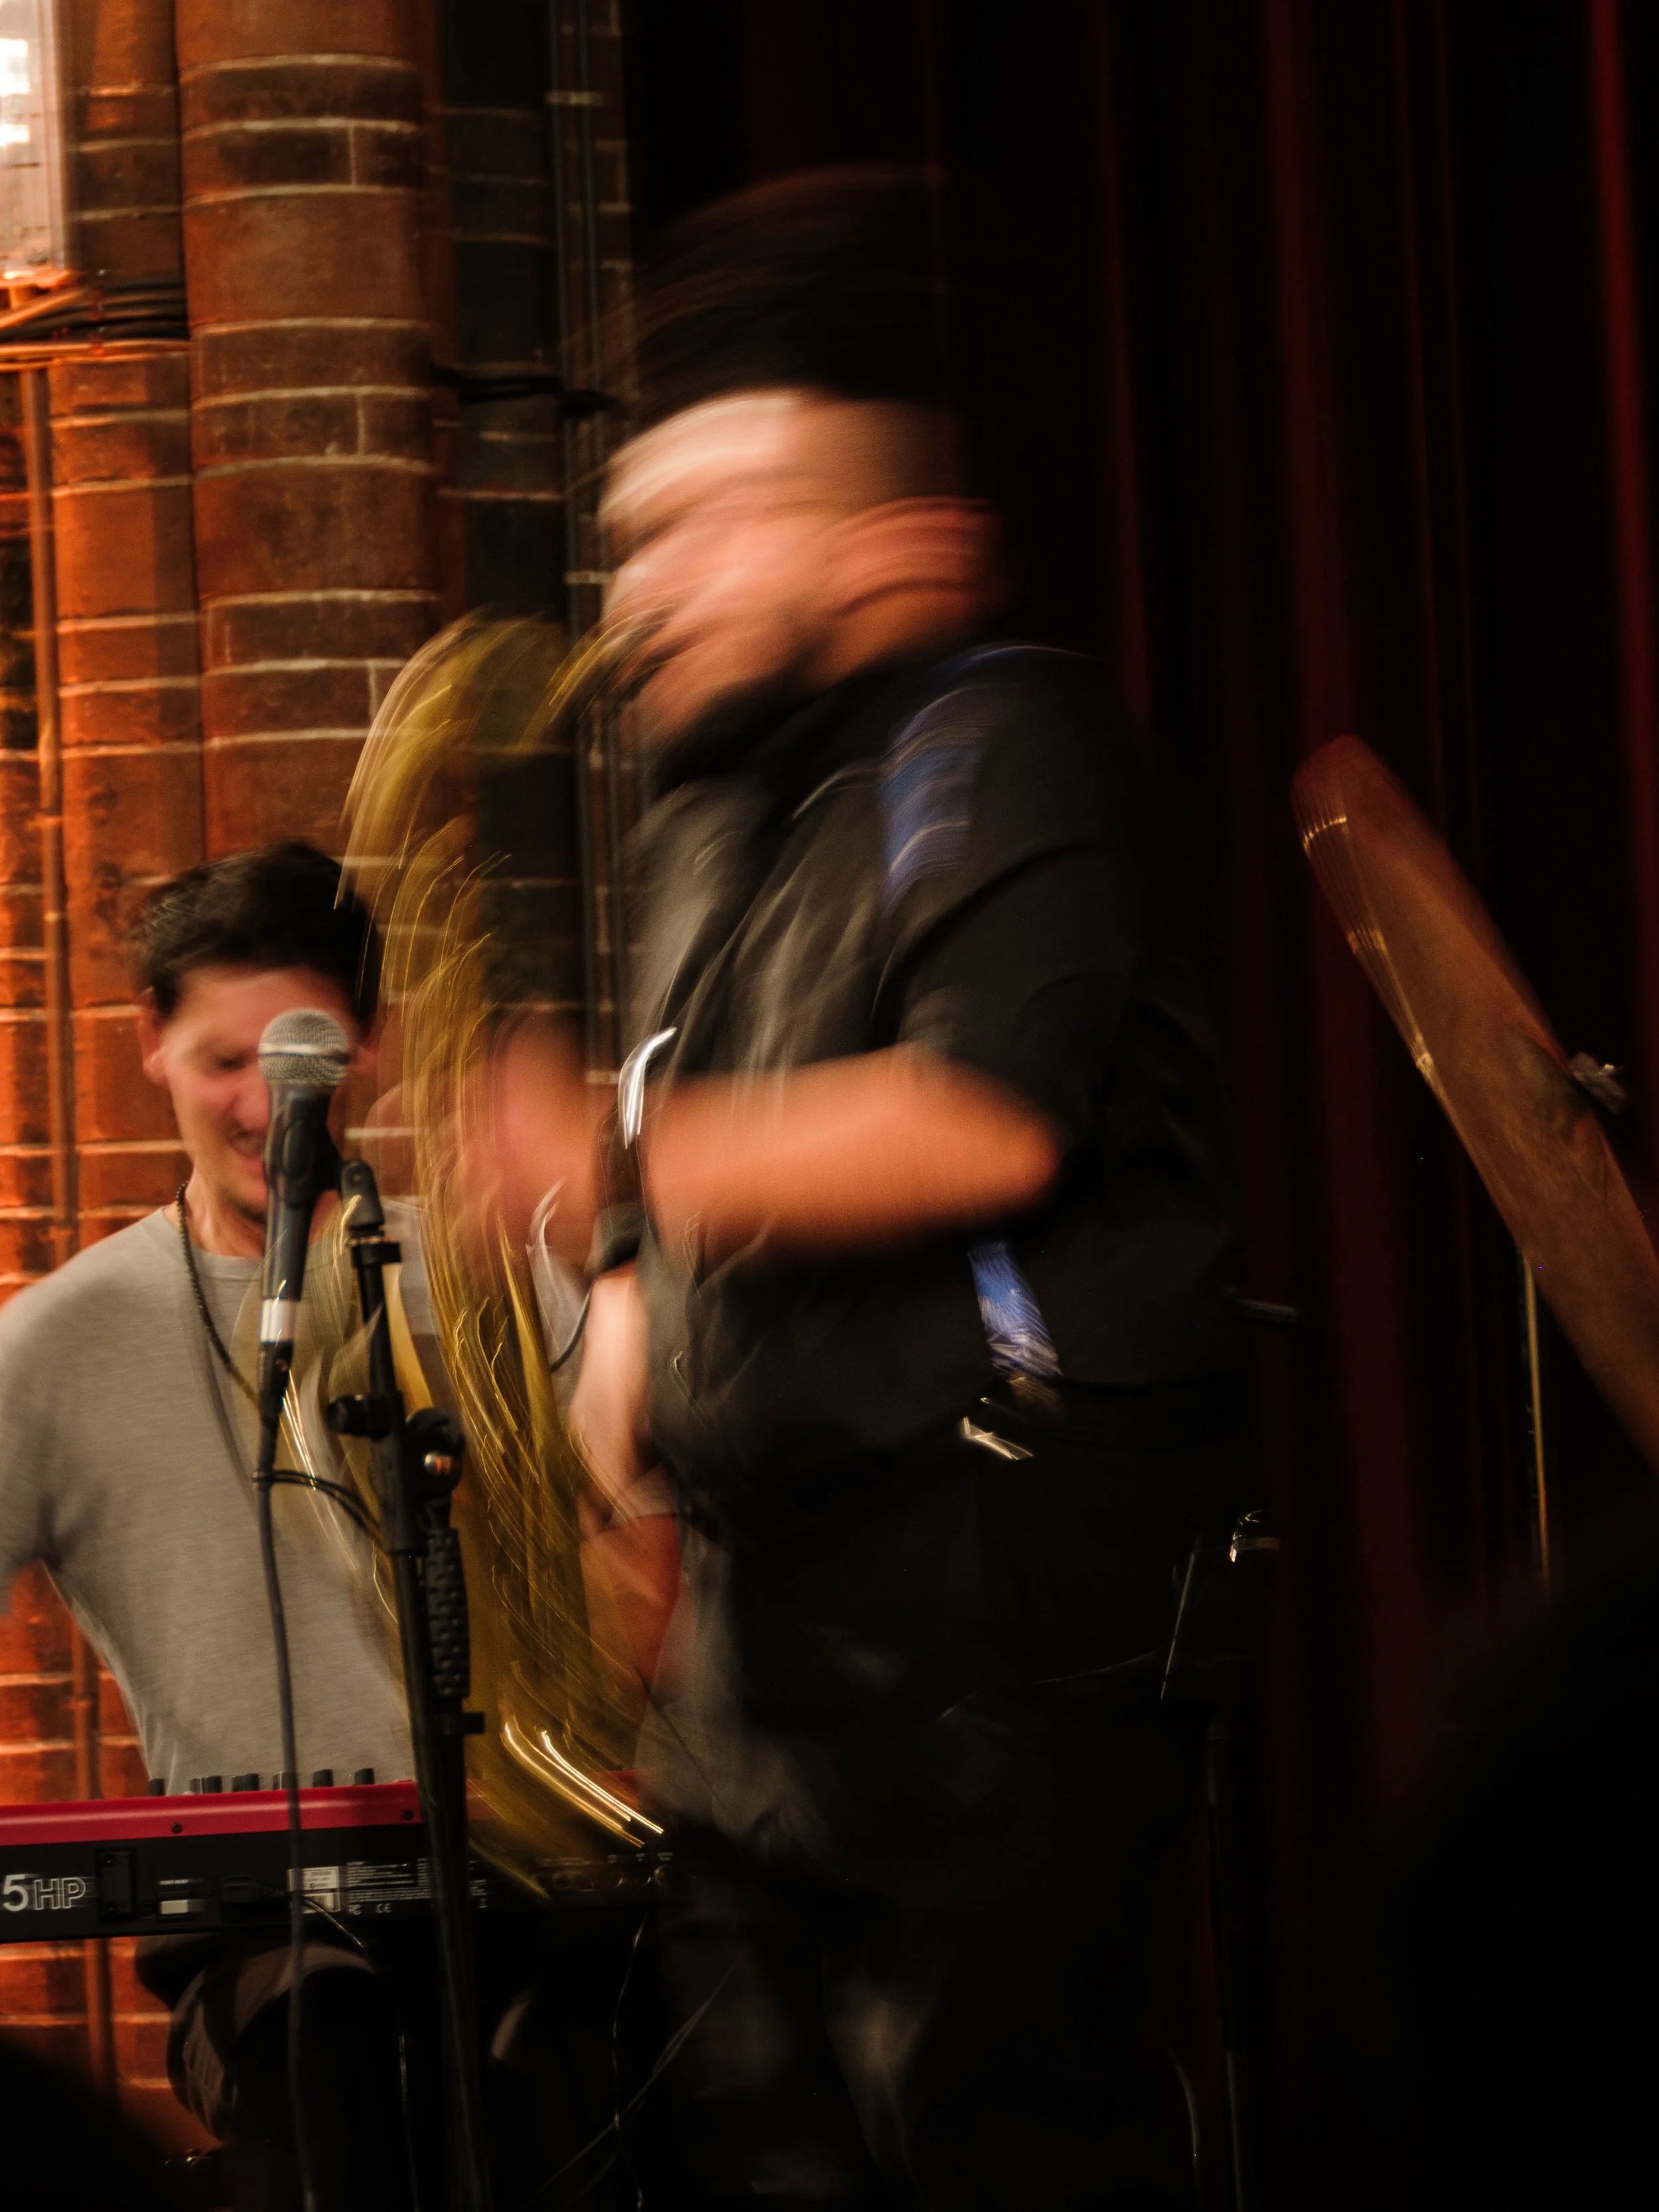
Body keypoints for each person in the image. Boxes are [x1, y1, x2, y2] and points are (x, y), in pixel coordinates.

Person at [466, 172, 1244, 2211]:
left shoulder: (1005, 731)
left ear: (882, 540)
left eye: (702, 527)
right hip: (762, 1669)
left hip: (981, 1645)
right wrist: (610, 1482)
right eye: (630, 540)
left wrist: (606, 1150)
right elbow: (666, 1181)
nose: (640, 590)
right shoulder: (711, 820)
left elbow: (976, 1118)